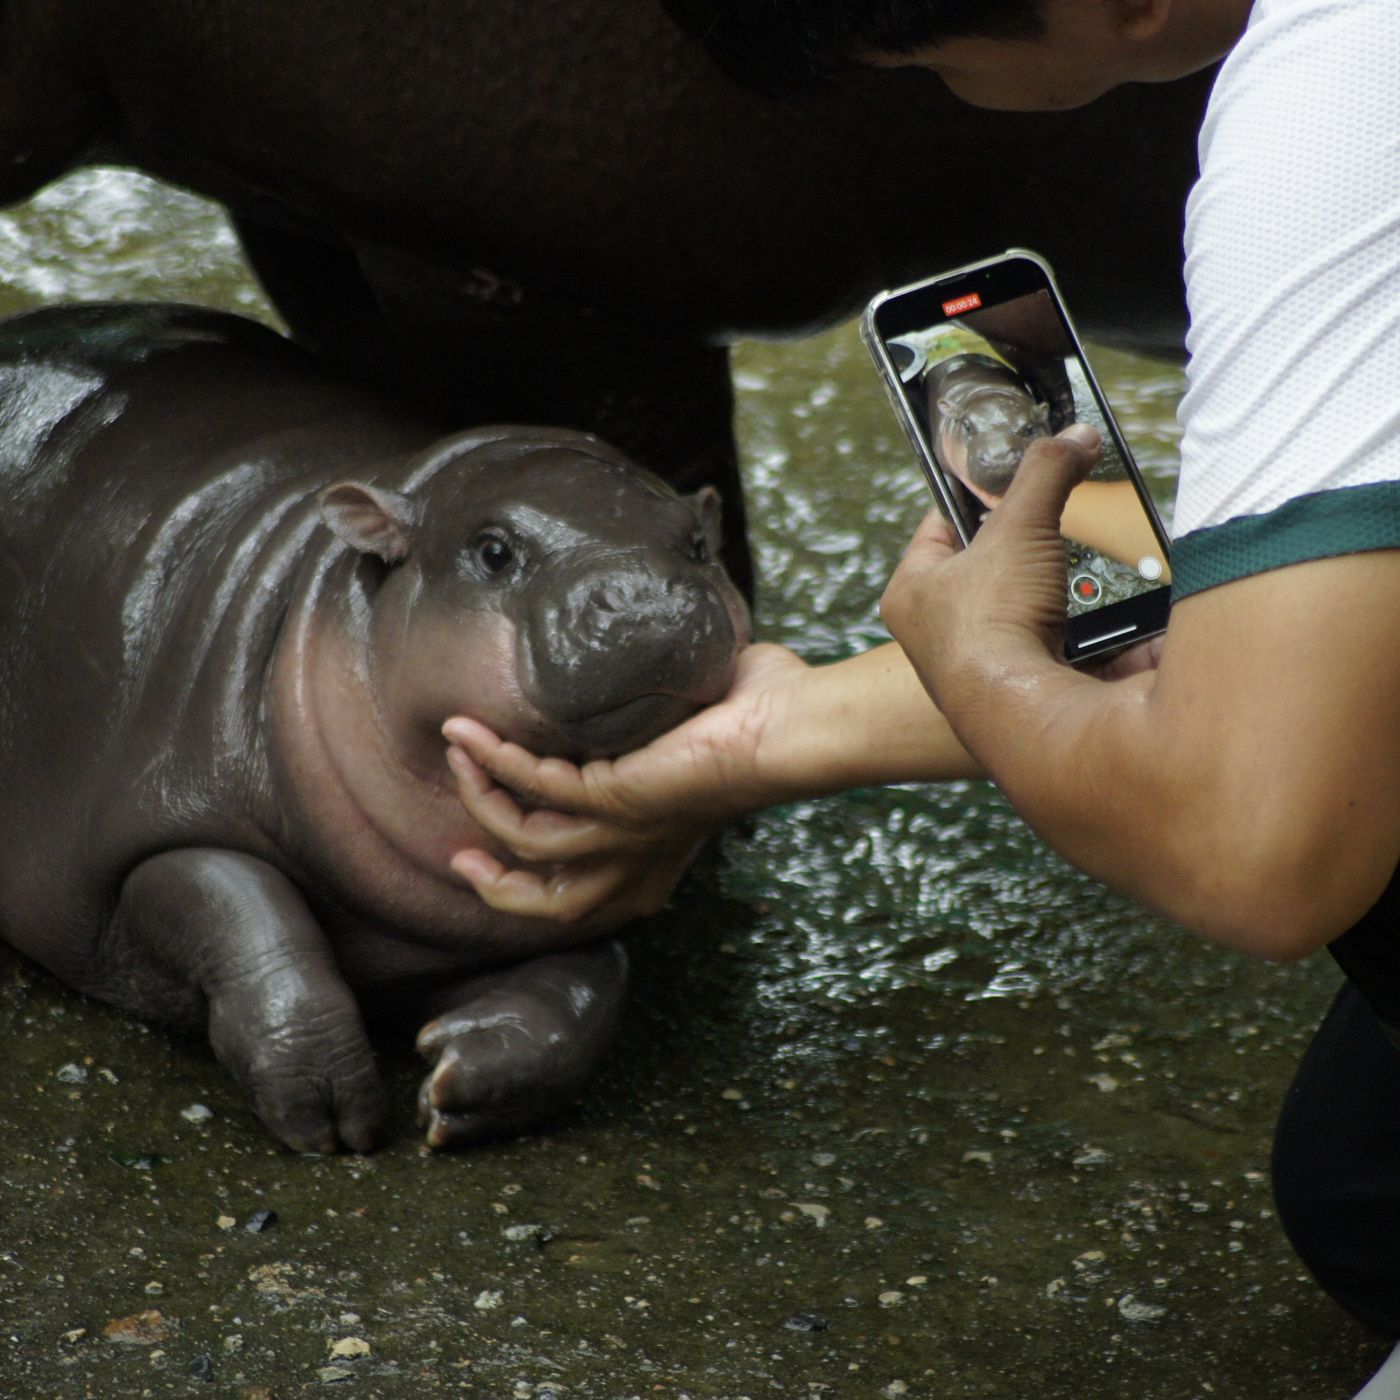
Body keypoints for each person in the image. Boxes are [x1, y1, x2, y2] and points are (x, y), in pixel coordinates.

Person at [438, 0, 1400, 1384]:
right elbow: (1311, 638)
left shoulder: (1330, 116)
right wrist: (783, 727)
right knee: (1357, 1181)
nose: (947, 96)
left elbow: (1256, 842)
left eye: (940, 62)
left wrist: (978, 658)